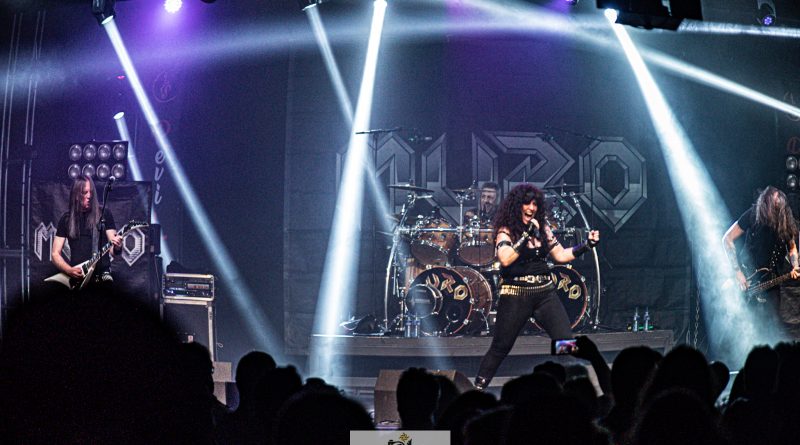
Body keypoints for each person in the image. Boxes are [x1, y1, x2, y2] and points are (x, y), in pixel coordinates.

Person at [474, 183, 600, 389]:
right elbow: (505, 259)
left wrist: (586, 245)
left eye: (535, 204)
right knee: (500, 347)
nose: (531, 208)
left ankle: (575, 390)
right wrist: (526, 235)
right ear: (517, 206)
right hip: (516, 295)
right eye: (527, 204)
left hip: (545, 294)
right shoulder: (506, 230)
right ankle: (477, 390)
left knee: (565, 343)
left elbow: (560, 255)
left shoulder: (543, 228)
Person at [722, 186, 799, 311]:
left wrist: (795, 265)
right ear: (765, 204)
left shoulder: (785, 220)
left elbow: (792, 247)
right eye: (773, 207)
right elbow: (727, 239)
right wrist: (737, 272)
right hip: (747, 277)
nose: (775, 212)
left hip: (771, 281)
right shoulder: (753, 214)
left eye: (779, 208)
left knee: (774, 321)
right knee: (747, 319)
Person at [51, 175, 122, 289]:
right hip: (78, 279)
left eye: (91, 192)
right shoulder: (66, 219)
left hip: (101, 278)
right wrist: (69, 270)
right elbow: (55, 253)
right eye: (84, 193)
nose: (89, 196)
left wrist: (118, 246)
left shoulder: (104, 214)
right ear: (76, 195)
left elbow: (113, 251)